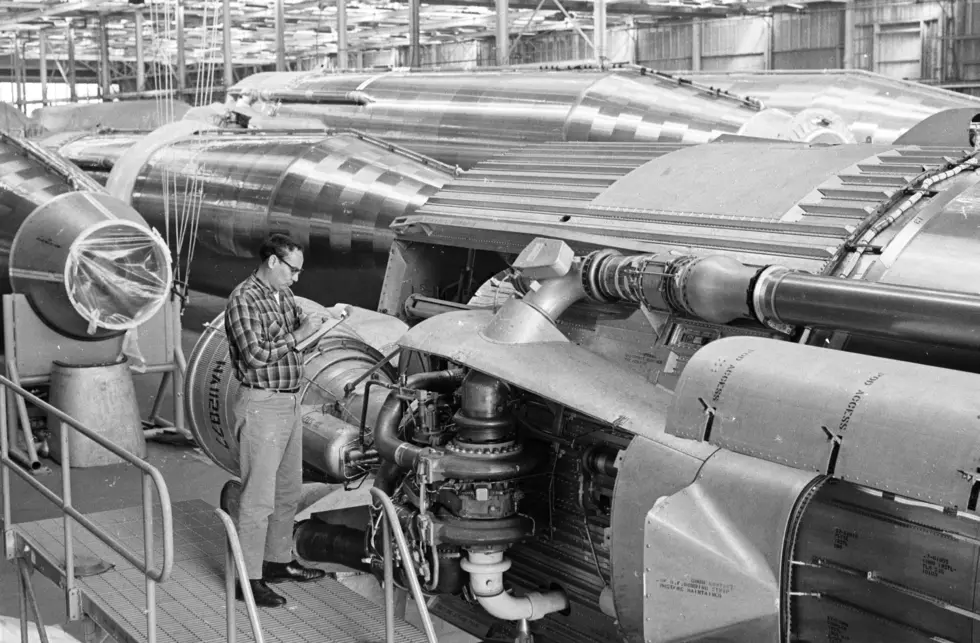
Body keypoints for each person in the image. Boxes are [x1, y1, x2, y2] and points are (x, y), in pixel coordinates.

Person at [224, 233, 329, 607]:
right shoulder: (243, 300)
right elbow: (254, 355)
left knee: (287, 489)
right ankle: (247, 579)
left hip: (289, 403)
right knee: (258, 498)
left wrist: (318, 326)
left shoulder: (281, 295)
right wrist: (298, 335)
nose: (296, 279)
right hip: (261, 405)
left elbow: (296, 332)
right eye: (292, 270)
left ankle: (277, 561)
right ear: (272, 261)